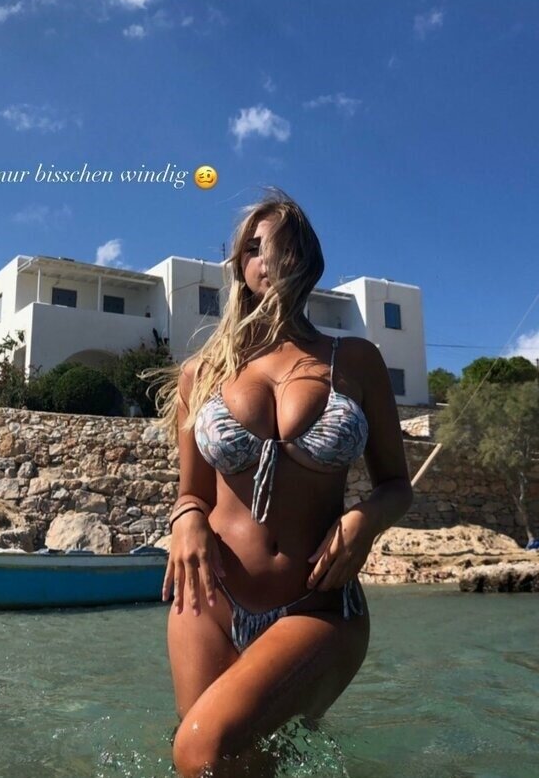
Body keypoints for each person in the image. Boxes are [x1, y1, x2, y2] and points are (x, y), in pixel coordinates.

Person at [151, 192, 413, 778]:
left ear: (308, 258)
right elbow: (192, 493)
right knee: (232, 765)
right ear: (238, 266)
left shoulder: (356, 360)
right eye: (252, 248)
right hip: (208, 599)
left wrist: (365, 519)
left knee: (199, 748)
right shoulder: (203, 371)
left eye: (280, 245)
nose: (265, 258)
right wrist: (185, 519)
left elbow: (397, 485)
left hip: (318, 603)